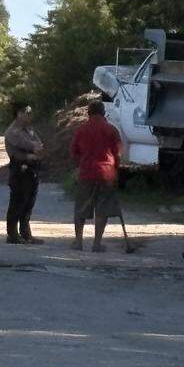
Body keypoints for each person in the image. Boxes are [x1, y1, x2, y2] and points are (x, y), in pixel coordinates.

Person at [70, 100, 131, 253]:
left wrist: (81, 164)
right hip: (106, 173)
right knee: (103, 209)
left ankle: (78, 242)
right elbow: (118, 153)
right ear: (104, 113)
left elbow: (74, 152)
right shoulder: (111, 130)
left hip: (86, 173)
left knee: (81, 208)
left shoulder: (81, 130)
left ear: (88, 113)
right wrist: (115, 169)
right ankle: (97, 244)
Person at [3, 102, 44, 244]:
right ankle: (12, 234)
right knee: (17, 202)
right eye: (27, 112)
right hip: (19, 170)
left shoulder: (29, 129)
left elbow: (39, 144)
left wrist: (35, 150)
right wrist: (32, 151)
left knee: (29, 202)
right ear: (19, 113)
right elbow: (28, 145)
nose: (30, 115)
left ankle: (26, 233)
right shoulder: (13, 131)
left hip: (32, 169)